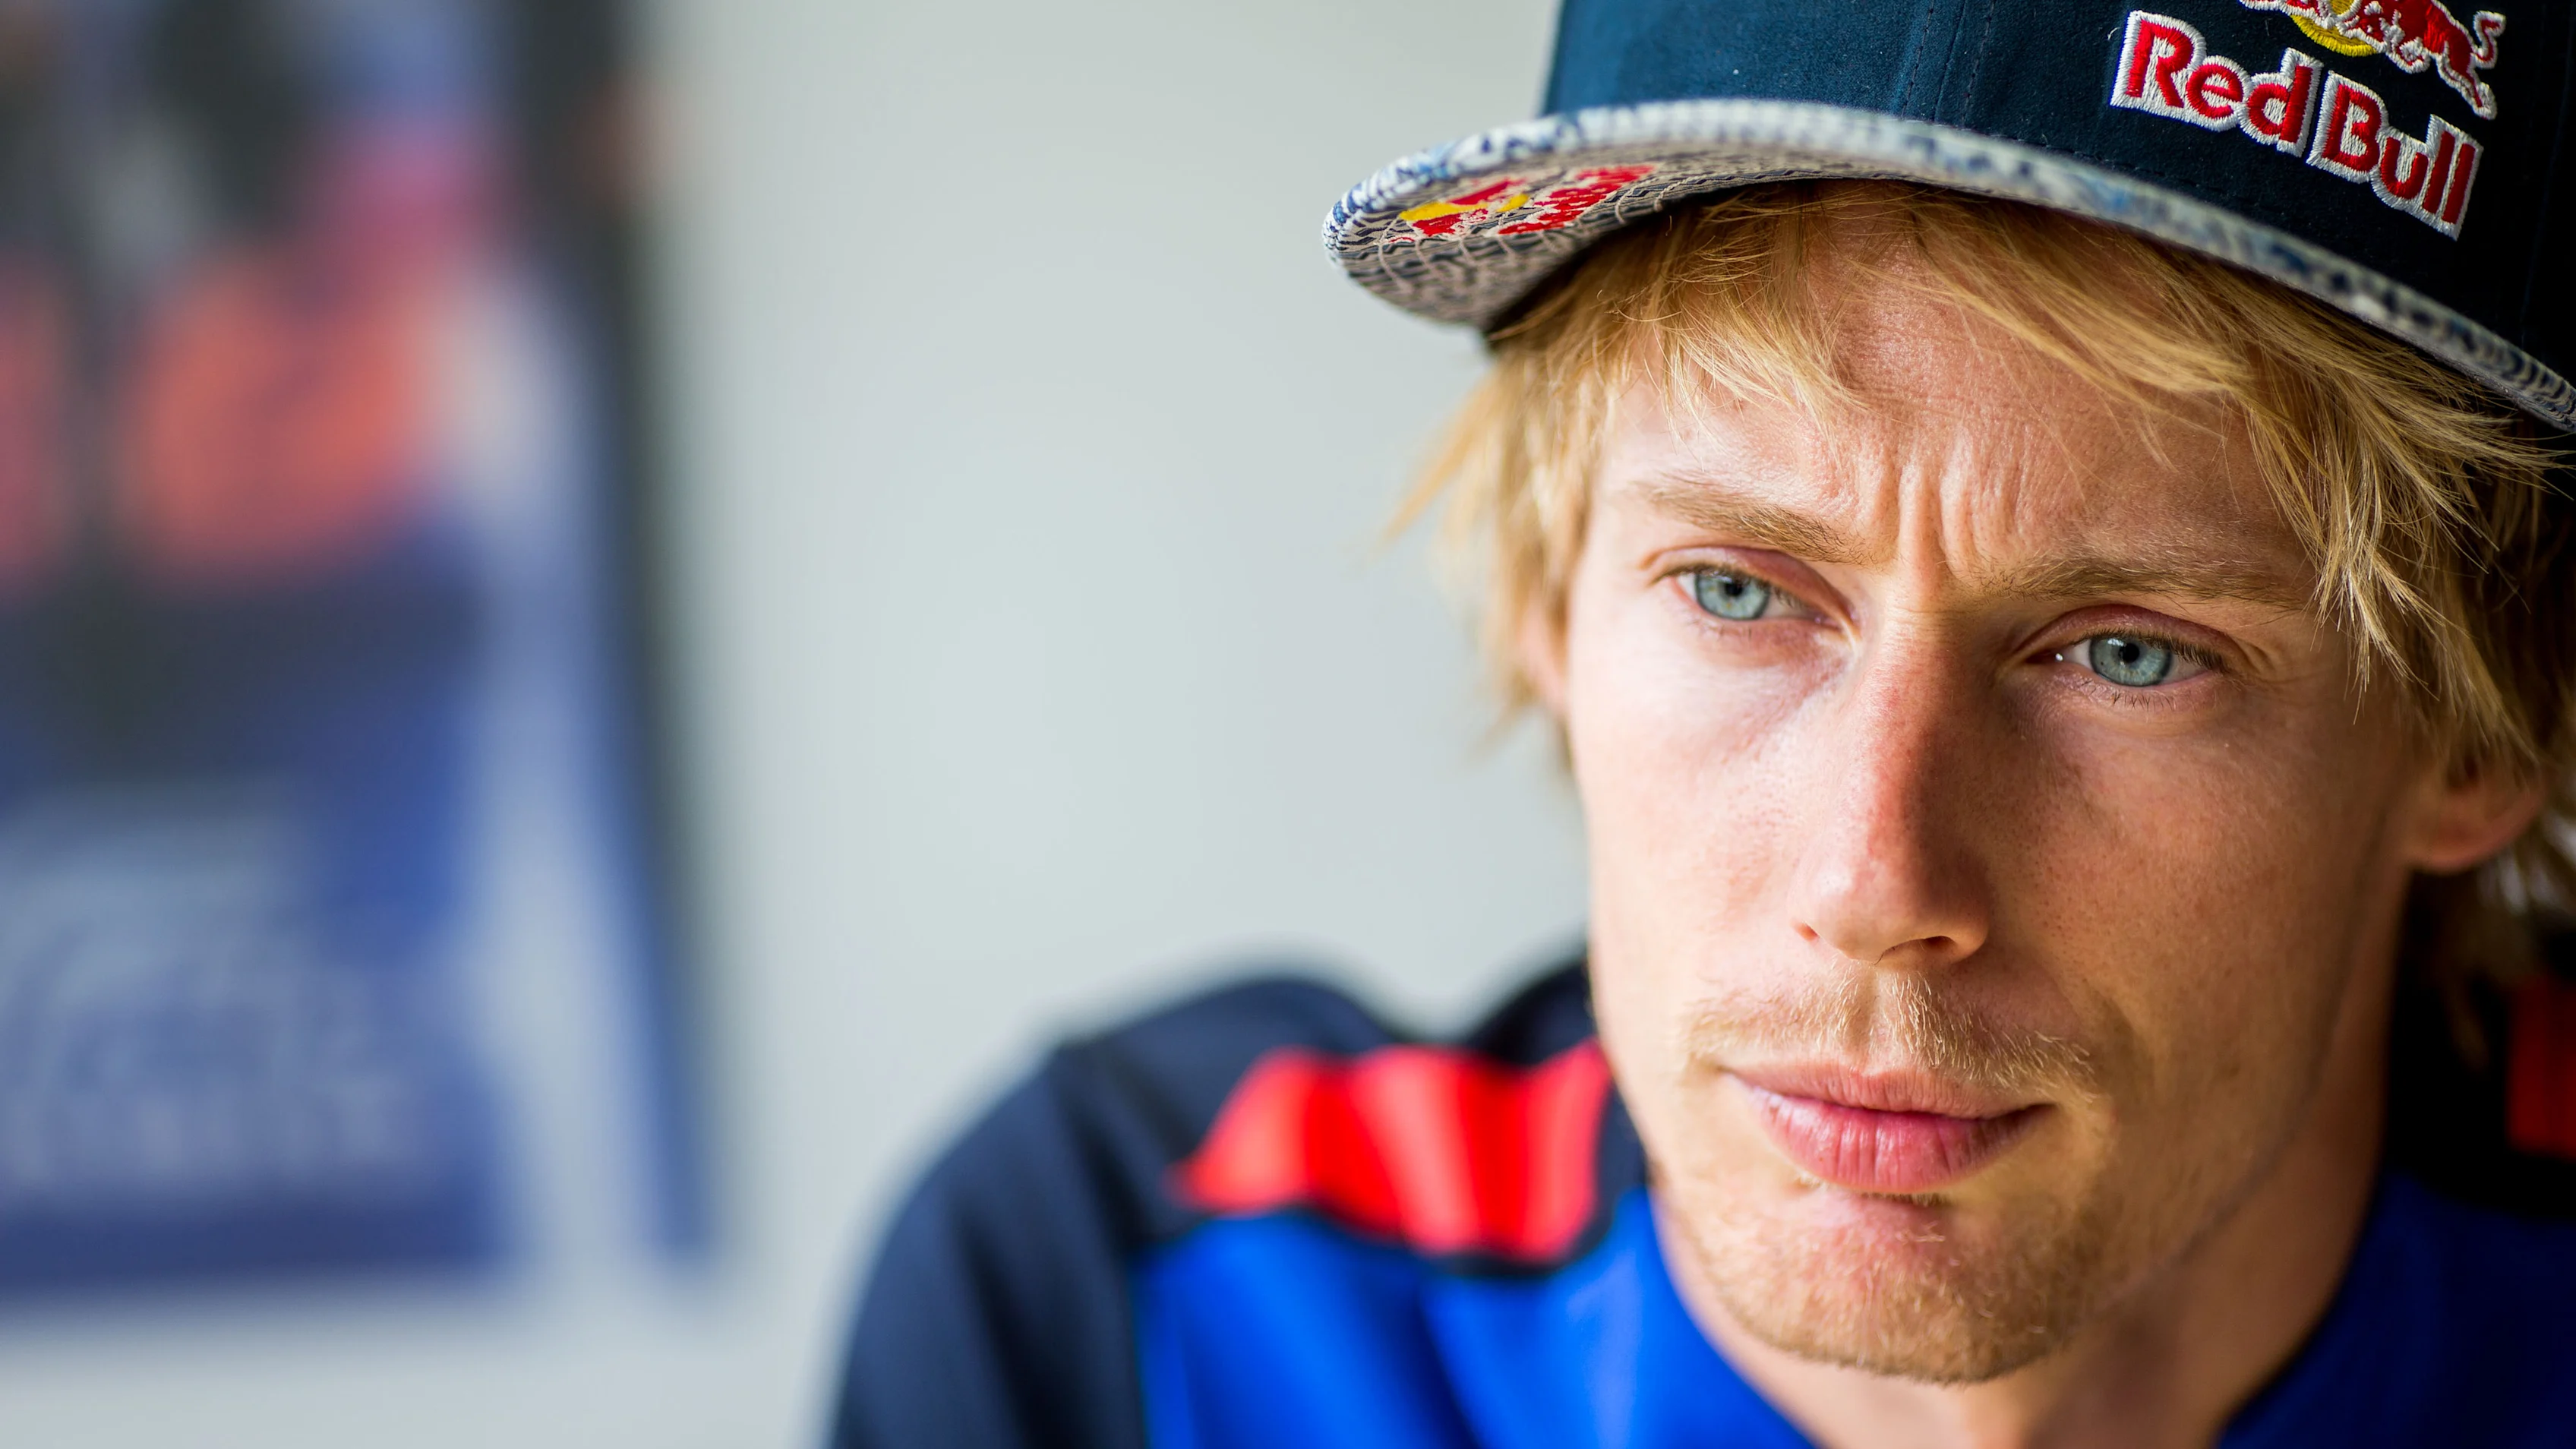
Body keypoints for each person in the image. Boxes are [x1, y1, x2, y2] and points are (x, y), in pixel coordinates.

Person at [831, 2, 2576, 1444]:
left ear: (2482, 728)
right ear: (1544, 604)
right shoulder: (1126, 1291)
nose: (1876, 878)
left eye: (2126, 654)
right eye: (1738, 592)